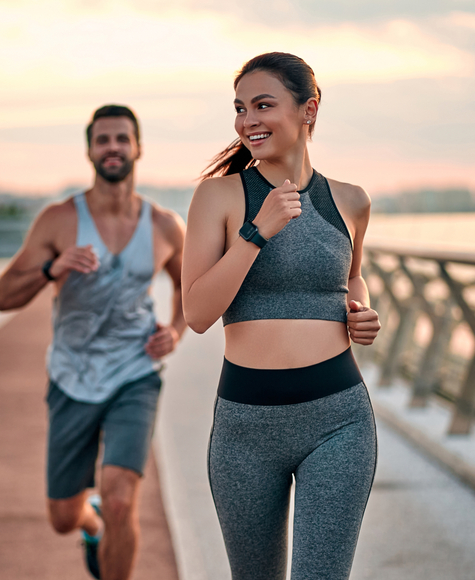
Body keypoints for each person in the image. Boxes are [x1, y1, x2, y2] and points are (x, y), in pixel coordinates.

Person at [181, 53, 382, 579]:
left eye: (263, 105)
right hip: (245, 426)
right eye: (241, 108)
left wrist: (362, 315)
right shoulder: (220, 196)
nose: (248, 120)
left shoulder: (352, 200)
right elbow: (198, 313)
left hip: (338, 420)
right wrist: (257, 231)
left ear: (308, 110)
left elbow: (351, 278)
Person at [0, 104, 187, 580]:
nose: (113, 148)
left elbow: (190, 286)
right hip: (71, 377)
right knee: (62, 517)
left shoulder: (164, 225)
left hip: (135, 374)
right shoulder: (59, 220)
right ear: (89, 150)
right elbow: (2, 297)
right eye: (103, 140)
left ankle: (108, 521)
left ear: (138, 147)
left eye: (122, 138)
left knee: (123, 501)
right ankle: (90, 522)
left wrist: (175, 330)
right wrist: (50, 269)